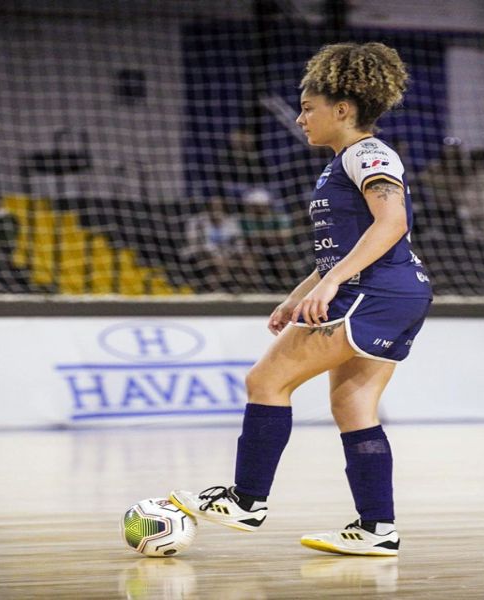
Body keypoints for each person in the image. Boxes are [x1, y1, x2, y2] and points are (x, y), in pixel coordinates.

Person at [169, 42, 431, 557]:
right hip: (393, 291)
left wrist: (334, 285)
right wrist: (301, 294)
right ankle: (378, 528)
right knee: (352, 403)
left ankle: (246, 499)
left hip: (373, 291)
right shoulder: (343, 162)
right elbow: (345, 244)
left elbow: (392, 223)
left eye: (309, 108)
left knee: (266, 380)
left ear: (343, 110)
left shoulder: (367, 153)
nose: (300, 117)